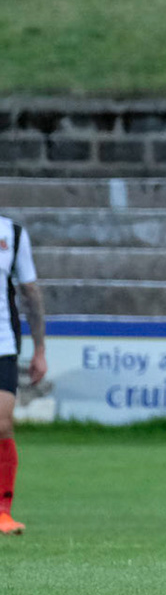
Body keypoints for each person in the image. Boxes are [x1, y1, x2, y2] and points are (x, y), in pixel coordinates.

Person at [0, 214, 46, 536]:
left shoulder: (12, 234)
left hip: (2, 342)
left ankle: (3, 512)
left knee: (2, 423)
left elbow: (30, 291)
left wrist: (40, 349)